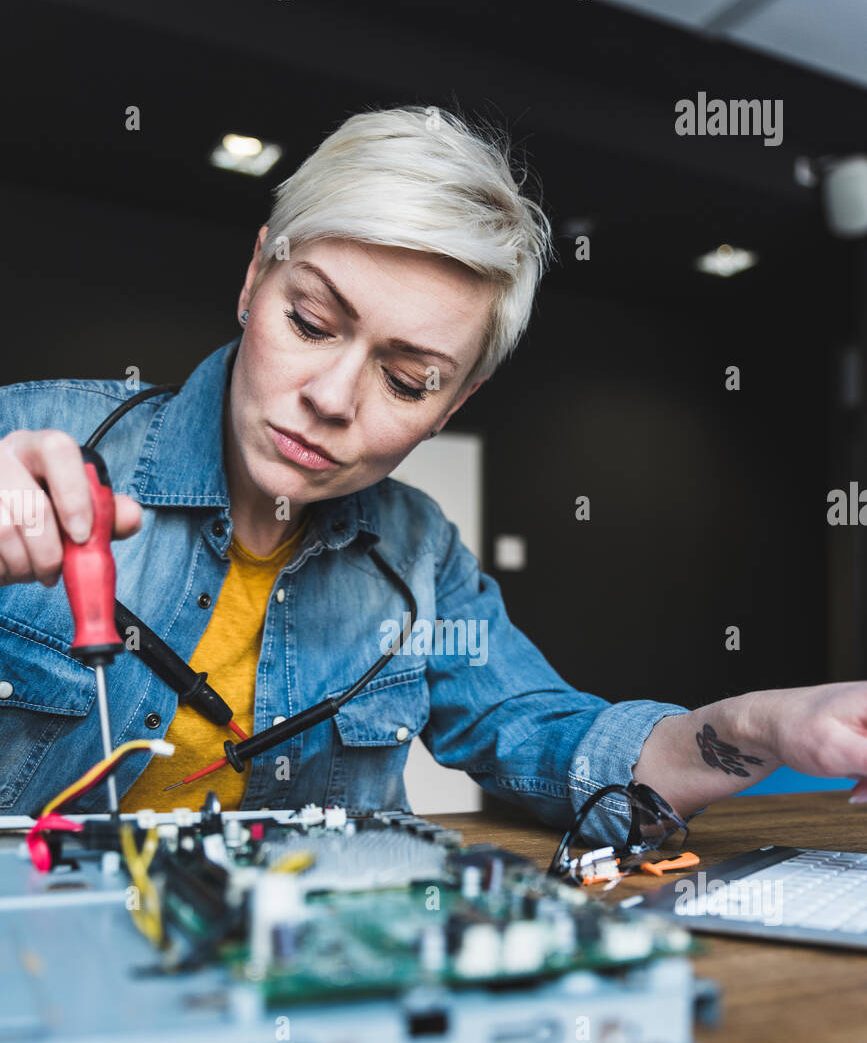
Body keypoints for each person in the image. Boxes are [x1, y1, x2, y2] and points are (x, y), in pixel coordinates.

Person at [1, 105, 866, 840]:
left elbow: (562, 749)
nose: (333, 398)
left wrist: (766, 727)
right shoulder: (27, 439)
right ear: (254, 277)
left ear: (454, 402)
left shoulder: (421, 556)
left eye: (408, 380)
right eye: (309, 322)